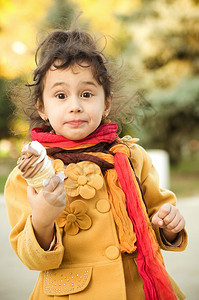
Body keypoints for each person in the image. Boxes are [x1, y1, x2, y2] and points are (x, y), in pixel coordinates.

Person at [4, 28, 187, 300]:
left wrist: (169, 225)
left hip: (138, 288)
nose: (75, 105)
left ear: (106, 103)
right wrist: (42, 218)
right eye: (61, 96)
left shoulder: (131, 156)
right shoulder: (27, 174)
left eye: (87, 94)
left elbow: (159, 211)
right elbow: (32, 258)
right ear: (42, 106)